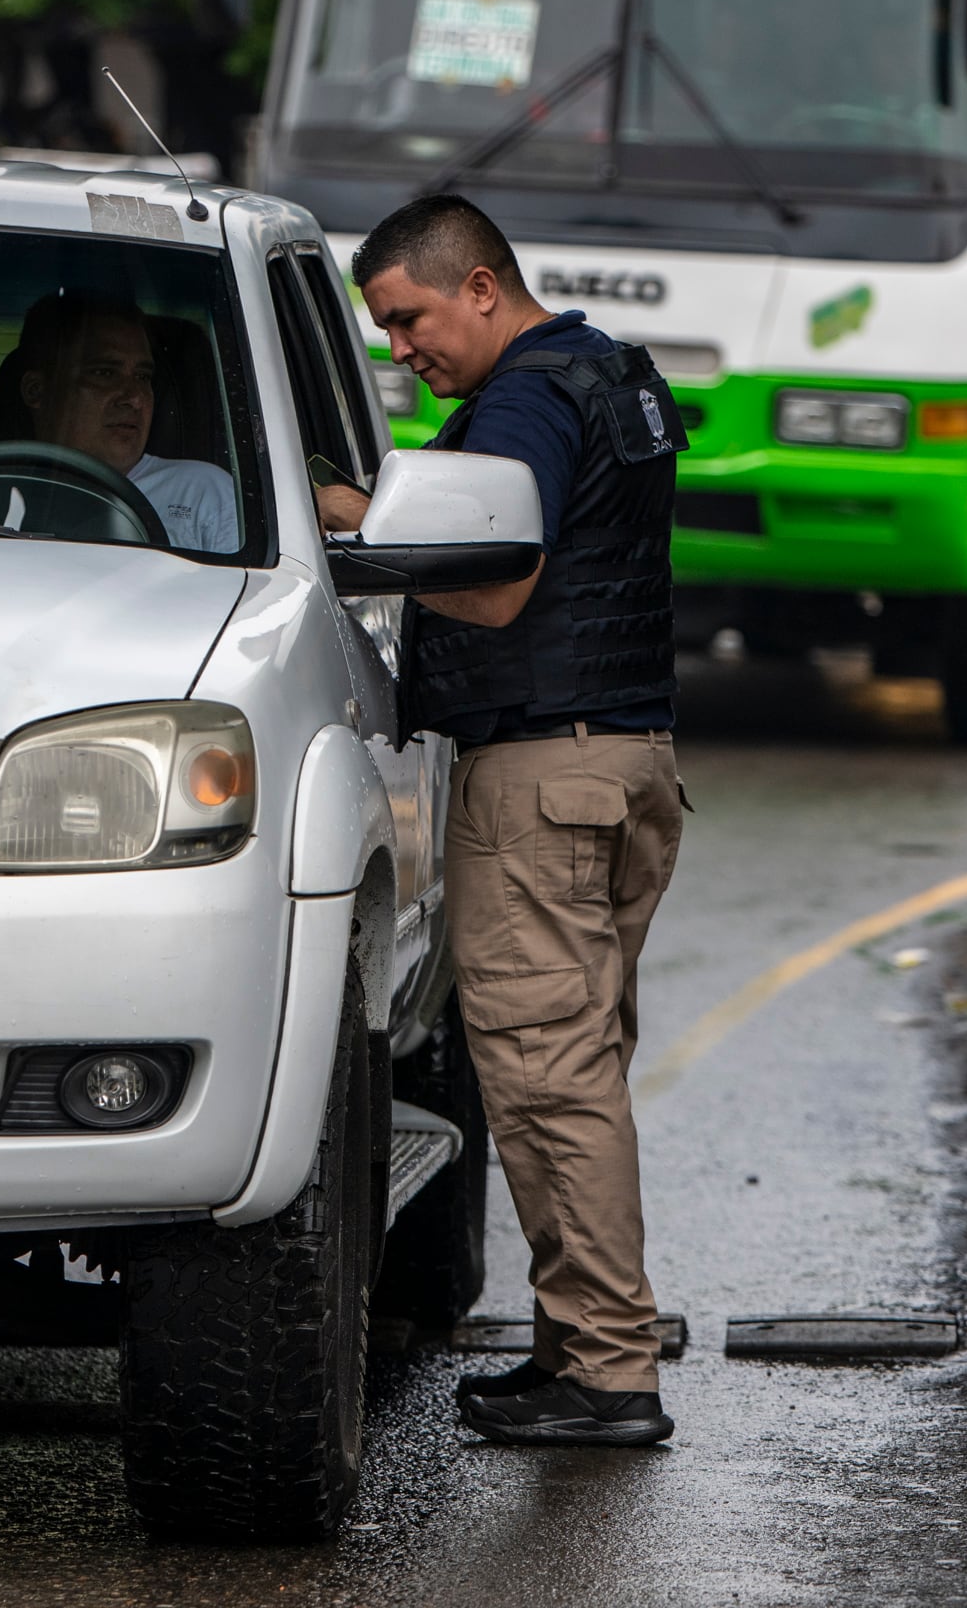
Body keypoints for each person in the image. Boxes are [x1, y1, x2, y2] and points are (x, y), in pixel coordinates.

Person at [316, 194, 685, 1449]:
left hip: (541, 773)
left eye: (410, 317)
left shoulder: (526, 397)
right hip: (628, 765)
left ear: (481, 286)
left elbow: (497, 576)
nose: (401, 348)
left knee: (546, 1078)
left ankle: (609, 1372)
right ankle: (581, 1343)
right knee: (577, 1069)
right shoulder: (612, 371)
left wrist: (352, 522)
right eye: (384, 329)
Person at [9, 291, 237, 553]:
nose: (135, 399)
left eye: (142, 377)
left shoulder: (202, 495)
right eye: (105, 373)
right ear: (36, 390)